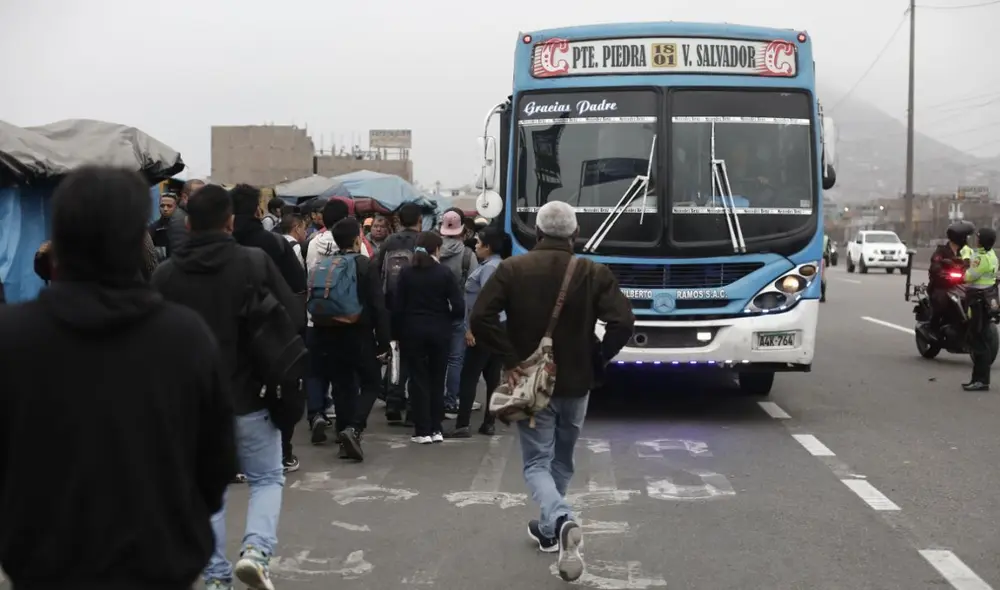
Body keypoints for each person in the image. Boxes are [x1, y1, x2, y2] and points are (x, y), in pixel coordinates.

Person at [0, 166, 237, 590]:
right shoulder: (185, 339)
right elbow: (215, 464)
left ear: (60, 238)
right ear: (138, 238)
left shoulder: (14, 341)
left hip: (44, 567)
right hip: (159, 564)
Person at [470, 200, 634, 582]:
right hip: (577, 382)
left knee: (535, 463)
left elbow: (481, 316)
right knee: (562, 457)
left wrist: (511, 359)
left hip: (529, 383)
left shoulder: (512, 268)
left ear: (538, 233)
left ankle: (560, 519)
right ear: (575, 235)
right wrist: (599, 356)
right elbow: (623, 321)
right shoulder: (593, 271)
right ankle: (550, 531)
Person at [152, 184, 304, 590]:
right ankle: (256, 552)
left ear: (186, 220)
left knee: (207, 489)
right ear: (230, 222)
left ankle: (217, 576)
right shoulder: (253, 263)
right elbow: (293, 314)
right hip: (251, 396)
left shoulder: (165, 275)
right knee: (267, 478)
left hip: (193, 406)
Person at [231, 183, 307, 472]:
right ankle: (282, 454)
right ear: (257, 209)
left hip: (226, 333)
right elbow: (298, 286)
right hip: (271, 331)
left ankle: (235, 462)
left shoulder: (213, 248)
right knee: (277, 390)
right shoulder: (274, 244)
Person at [307, 217, 391, 460]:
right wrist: (384, 341)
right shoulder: (364, 264)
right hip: (358, 333)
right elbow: (378, 306)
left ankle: (345, 440)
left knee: (343, 387)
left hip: (327, 333)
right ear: (357, 239)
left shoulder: (326, 263)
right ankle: (354, 429)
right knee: (372, 382)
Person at [392, 231, 465, 444]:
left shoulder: (406, 273)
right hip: (440, 332)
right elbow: (459, 306)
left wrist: (395, 333)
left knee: (418, 380)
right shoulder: (444, 273)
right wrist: (448, 320)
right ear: (436, 250)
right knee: (437, 379)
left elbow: (397, 307)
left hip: (412, 332)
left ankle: (421, 429)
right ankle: (436, 428)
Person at [447, 227, 507, 438]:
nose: (477, 247)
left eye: (480, 244)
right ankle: (488, 423)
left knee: (469, 376)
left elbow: (485, 302)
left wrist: (471, 329)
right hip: (497, 327)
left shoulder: (490, 268)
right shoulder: (499, 266)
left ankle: (463, 424)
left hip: (484, 328)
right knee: (492, 377)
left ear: (489, 247)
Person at [376, 202, 424, 424]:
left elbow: (376, 272)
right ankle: (414, 408)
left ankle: (393, 404)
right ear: (419, 221)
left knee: (395, 356)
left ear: (398, 221)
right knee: (417, 359)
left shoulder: (388, 242)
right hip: (417, 308)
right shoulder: (422, 242)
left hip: (391, 308)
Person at [438, 209, 478, 416]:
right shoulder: (468, 255)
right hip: (458, 312)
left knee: (435, 358)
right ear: (462, 230)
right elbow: (474, 289)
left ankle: (433, 399)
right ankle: (450, 401)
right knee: (455, 359)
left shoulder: (433, 251)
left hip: (435, 312)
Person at [962, 227, 998, 391]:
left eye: (978, 237)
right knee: (978, 339)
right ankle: (977, 379)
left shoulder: (982, 258)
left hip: (978, 302)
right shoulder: (991, 255)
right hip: (986, 300)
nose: (976, 239)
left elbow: (969, 276)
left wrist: (963, 269)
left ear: (982, 240)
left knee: (978, 340)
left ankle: (981, 381)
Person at [927, 222, 976, 334]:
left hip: (962, 285)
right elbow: (935, 266)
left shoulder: (967, 251)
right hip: (942, 286)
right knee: (941, 301)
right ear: (958, 237)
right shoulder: (941, 251)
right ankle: (933, 328)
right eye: (965, 236)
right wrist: (942, 273)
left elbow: (975, 264)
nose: (967, 239)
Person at [166, 178, 205, 253]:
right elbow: (181, 253)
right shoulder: (180, 219)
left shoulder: (190, 215)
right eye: (199, 194)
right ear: (185, 197)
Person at [150, 191, 179, 259]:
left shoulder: (184, 226)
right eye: (162, 206)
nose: (165, 209)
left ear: (176, 207)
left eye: (169, 206)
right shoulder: (152, 229)